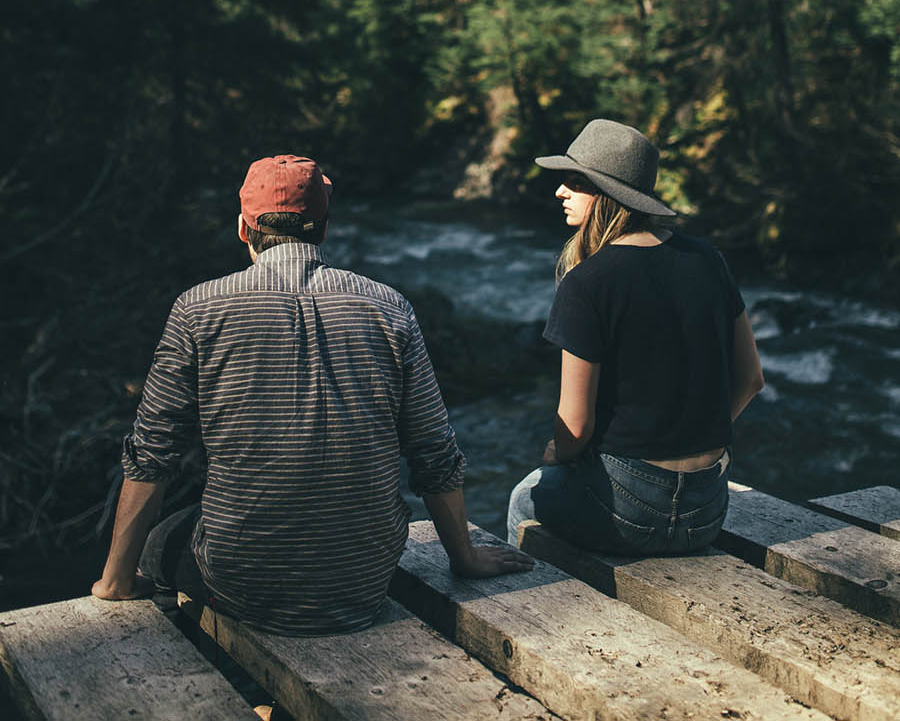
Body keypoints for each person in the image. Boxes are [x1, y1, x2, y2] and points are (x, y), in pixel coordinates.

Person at [92, 154, 531, 634]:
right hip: (365, 578)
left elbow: (152, 454)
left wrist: (115, 581)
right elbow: (434, 451)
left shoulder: (196, 310)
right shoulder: (390, 307)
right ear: (323, 229)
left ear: (243, 228)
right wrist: (464, 558)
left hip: (244, 582)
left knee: (162, 540)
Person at [507, 119, 764, 554]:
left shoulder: (587, 282)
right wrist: (697, 443)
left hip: (629, 510)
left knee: (522, 500)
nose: (559, 192)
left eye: (574, 182)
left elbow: (576, 425)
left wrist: (558, 454)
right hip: (707, 509)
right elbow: (751, 379)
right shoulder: (708, 259)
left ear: (608, 194)